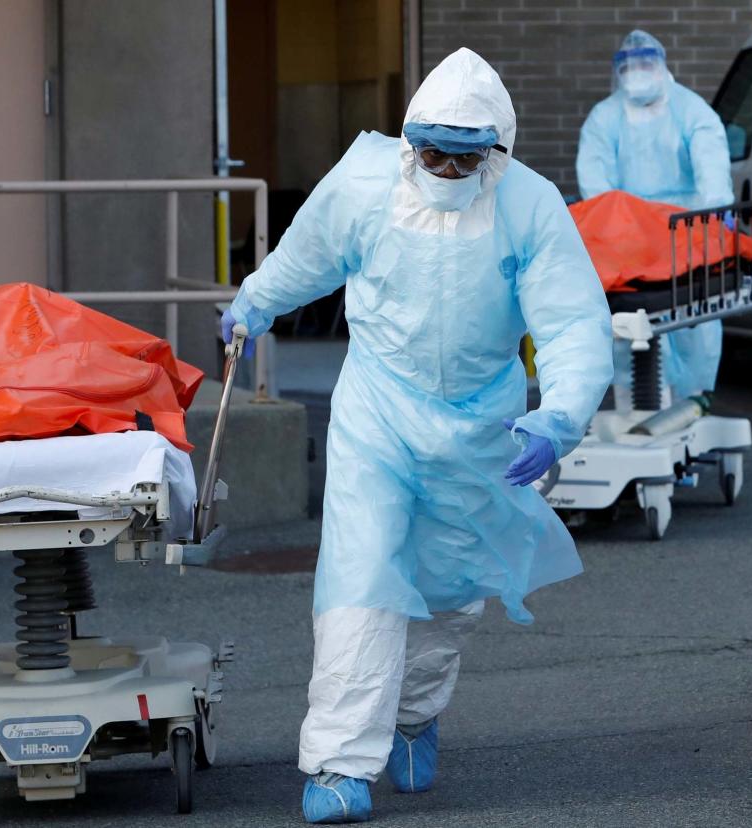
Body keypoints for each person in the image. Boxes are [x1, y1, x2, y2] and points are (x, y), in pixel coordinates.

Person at [221, 49, 612, 823]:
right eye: (429, 150)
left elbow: (572, 322)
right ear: (408, 141)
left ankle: (413, 716)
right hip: (378, 412)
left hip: (480, 425)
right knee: (360, 581)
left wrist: (556, 417)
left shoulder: (529, 206)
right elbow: (307, 256)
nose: (442, 167)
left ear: (495, 150)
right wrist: (254, 301)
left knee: (448, 596)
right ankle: (338, 764)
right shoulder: (366, 181)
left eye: (462, 156)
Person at [576, 30, 735, 401]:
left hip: (685, 236)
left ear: (662, 66)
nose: (637, 72)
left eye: (645, 64)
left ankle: (693, 399)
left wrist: (715, 217)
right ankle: (633, 405)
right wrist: (621, 225)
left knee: (693, 329)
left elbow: (713, 174)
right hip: (629, 241)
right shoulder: (605, 118)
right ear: (619, 72)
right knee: (626, 332)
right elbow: (596, 184)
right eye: (629, 67)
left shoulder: (692, 113)